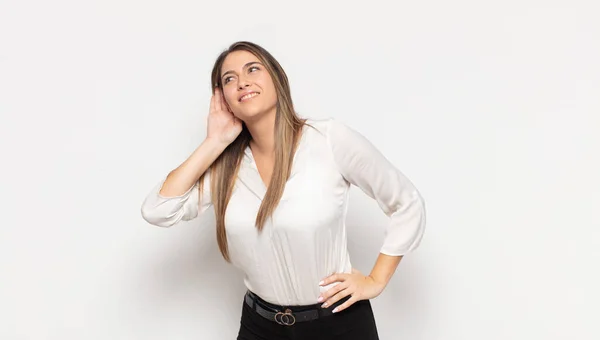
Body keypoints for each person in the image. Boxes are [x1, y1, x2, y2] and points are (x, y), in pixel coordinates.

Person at [140, 41, 426, 340]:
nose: (242, 81)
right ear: (223, 99)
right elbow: (158, 210)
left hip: (338, 325)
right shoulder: (226, 168)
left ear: (277, 79)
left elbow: (407, 203)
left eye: (253, 69)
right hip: (260, 326)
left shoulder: (328, 140)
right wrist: (214, 142)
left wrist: (376, 280)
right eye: (229, 79)